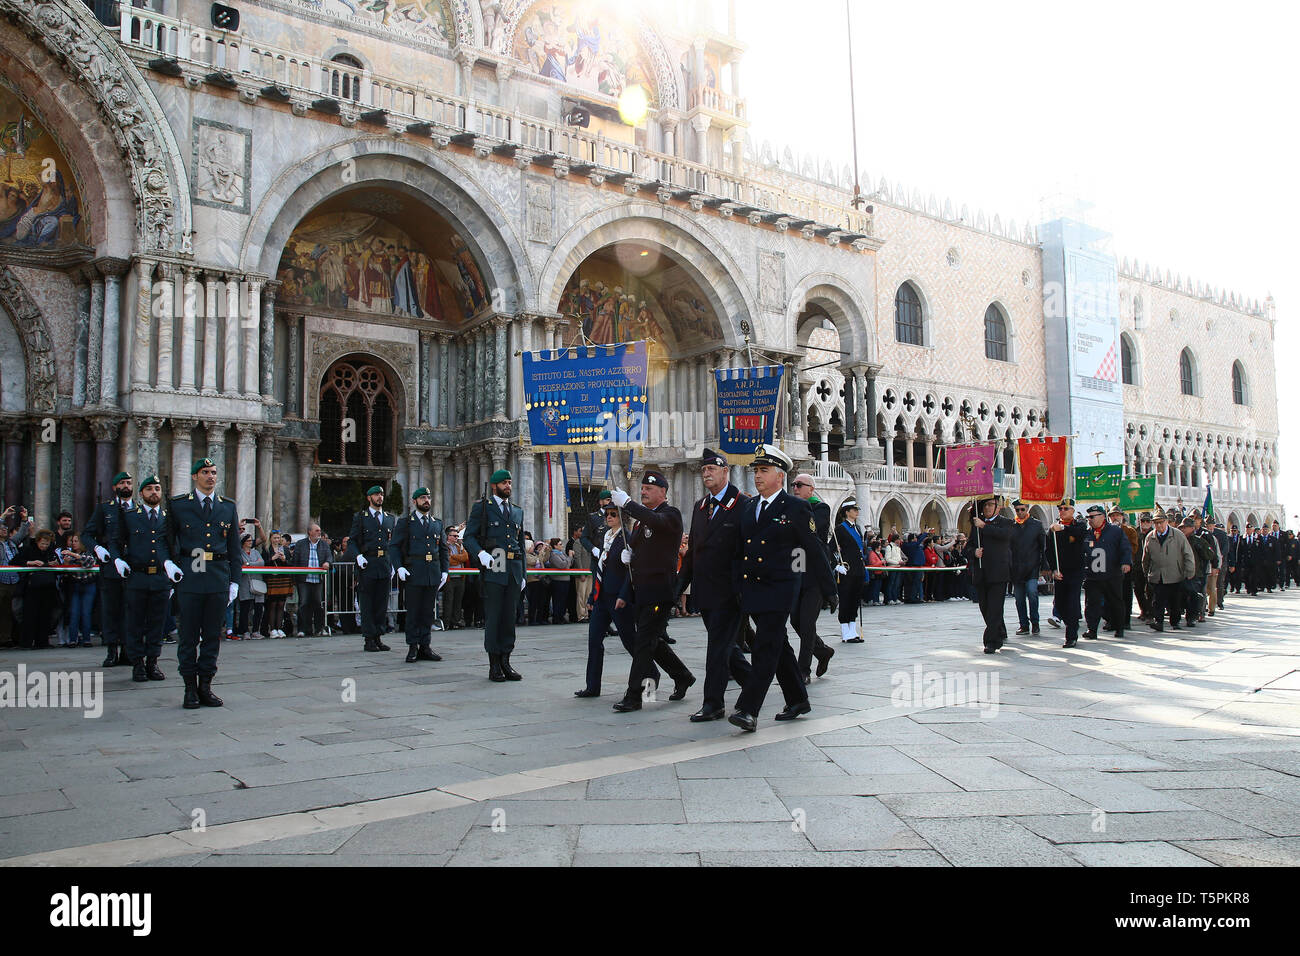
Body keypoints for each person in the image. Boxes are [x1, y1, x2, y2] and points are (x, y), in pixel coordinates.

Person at [725, 445, 836, 732]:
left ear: (780, 476)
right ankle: (798, 699)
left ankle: (748, 709)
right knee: (779, 646)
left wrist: (829, 587)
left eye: (763, 471)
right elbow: (739, 551)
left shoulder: (797, 508)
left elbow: (812, 549)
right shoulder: (750, 508)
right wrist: (738, 584)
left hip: (781, 589)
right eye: (755, 471)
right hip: (753, 590)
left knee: (764, 646)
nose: (757, 476)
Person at [675, 449, 753, 721]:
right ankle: (755, 685)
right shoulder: (700, 507)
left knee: (717, 648)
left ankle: (713, 703)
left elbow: (749, 551)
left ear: (725, 472)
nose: (706, 474)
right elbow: (694, 551)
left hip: (730, 592)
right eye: (703, 470)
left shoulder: (742, 504)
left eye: (712, 469)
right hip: (705, 591)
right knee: (726, 647)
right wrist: (679, 587)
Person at [608, 470, 696, 713]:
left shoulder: (671, 514)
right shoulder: (640, 522)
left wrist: (627, 503)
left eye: (649, 488)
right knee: (653, 642)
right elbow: (636, 561)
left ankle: (634, 694)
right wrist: (625, 590)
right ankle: (683, 675)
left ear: (663, 492)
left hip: (660, 590)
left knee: (644, 643)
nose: (643, 491)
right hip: (642, 591)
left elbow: (655, 521)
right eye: (643, 488)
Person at [164, 457, 242, 709]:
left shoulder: (227, 507)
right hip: (190, 578)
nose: (211, 476)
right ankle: (189, 687)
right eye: (205, 472)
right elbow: (167, 541)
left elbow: (233, 548)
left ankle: (205, 685)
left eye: (214, 472)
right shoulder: (178, 506)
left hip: (217, 577)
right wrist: (169, 564)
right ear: (195, 476)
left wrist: (235, 581)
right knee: (188, 636)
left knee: (211, 636)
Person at [575, 504, 653, 698]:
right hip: (602, 596)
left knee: (630, 641)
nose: (608, 518)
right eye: (607, 515)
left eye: (613, 514)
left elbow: (630, 572)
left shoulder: (627, 537)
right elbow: (600, 567)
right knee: (594, 640)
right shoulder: (605, 536)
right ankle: (592, 686)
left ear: (622, 517)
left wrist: (624, 595)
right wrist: (594, 594)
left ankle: (651, 673)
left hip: (618, 596)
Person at [464, 469, 526, 681]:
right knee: (494, 616)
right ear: (494, 486)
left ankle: (506, 661)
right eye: (504, 483)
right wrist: (480, 553)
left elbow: (519, 544)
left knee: (509, 617)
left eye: (509, 482)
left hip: (514, 565)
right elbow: (469, 537)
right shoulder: (482, 508)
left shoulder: (517, 511)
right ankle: (494, 664)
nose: (508, 486)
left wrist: (523, 573)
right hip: (495, 561)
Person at [111, 475, 173, 682]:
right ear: (141, 494)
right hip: (137, 576)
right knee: (135, 622)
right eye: (149, 489)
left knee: (157, 623)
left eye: (157, 488)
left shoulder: (167, 518)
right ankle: (137, 663)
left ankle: (152, 662)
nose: (154, 492)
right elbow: (116, 542)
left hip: (160, 578)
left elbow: (174, 547)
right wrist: (118, 560)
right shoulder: (130, 516)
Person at [391, 487, 449, 663]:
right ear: (414, 501)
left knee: (427, 612)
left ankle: (425, 645)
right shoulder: (406, 523)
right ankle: (412, 646)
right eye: (422, 498)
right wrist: (399, 567)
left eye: (428, 498)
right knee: (414, 612)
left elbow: (443, 549)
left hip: (432, 572)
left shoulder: (437, 523)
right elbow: (394, 546)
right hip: (414, 571)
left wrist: (445, 570)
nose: (426, 501)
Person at [83, 471, 135, 667]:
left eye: (129, 483)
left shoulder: (138, 509)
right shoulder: (105, 509)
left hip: (132, 567)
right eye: (122, 483)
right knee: (111, 610)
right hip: (111, 567)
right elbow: (87, 534)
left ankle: (128, 650)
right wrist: (97, 548)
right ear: (115, 487)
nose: (126, 486)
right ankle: (112, 649)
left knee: (130, 610)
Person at [791, 472, 840, 674]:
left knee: (807, 622)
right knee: (795, 621)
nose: (795, 488)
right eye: (793, 484)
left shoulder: (820, 508)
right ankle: (822, 651)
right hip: (797, 567)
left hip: (815, 573)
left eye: (799, 485)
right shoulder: (791, 508)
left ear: (811, 489)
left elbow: (810, 529)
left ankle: (803, 670)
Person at [346, 485, 397, 653]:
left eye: (381, 494)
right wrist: (358, 556)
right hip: (368, 562)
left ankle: (378, 636)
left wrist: (394, 563)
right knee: (367, 602)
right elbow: (353, 540)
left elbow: (393, 543)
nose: (379, 497)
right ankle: (368, 638)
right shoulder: (361, 517)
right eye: (376, 494)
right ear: (369, 498)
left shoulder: (389, 518)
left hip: (383, 563)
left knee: (381, 603)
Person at [964, 496, 1013, 654]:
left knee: (995, 608)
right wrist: (974, 552)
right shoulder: (976, 526)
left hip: (998, 573)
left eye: (991, 505)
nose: (988, 508)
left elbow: (1004, 535)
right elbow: (968, 547)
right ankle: (997, 633)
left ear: (997, 507)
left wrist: (984, 526)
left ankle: (991, 641)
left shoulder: (1005, 522)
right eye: (985, 505)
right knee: (984, 607)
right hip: (981, 572)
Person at [1081, 505, 1132, 642]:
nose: (1090, 520)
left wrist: (1126, 562)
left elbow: (1125, 547)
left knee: (1116, 601)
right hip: (1093, 575)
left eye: (1092, 517)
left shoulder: (1115, 531)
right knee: (1092, 603)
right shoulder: (1088, 533)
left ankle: (1119, 627)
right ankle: (1092, 629)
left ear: (1102, 517)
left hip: (1112, 574)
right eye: (1088, 517)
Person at [1142, 508, 1195, 632]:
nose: (1159, 525)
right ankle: (1158, 622)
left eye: (1161, 522)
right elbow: (1146, 557)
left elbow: (1188, 553)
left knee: (1174, 601)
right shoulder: (1150, 537)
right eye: (1156, 523)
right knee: (1158, 601)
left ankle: (1175, 622)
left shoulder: (1177, 535)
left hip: (1174, 574)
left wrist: (1189, 571)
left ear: (1166, 522)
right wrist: (1147, 572)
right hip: (1157, 574)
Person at [1045, 499, 1087, 648]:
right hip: (1060, 572)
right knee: (1061, 603)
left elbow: (1080, 534)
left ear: (1073, 511)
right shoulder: (1053, 530)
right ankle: (1070, 622)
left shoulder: (1079, 525)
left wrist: (1062, 528)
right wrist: (1054, 569)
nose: (1062, 511)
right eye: (1060, 508)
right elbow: (1049, 551)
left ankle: (1071, 635)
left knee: (1072, 602)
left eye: (1065, 508)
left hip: (1075, 571)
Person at [15, 529, 59, 648]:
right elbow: (15, 561)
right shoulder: (29, 549)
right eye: (42, 544)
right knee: (30, 615)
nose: (44, 546)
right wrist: (31, 562)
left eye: (47, 544)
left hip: (47, 586)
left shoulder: (51, 551)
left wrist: (53, 563)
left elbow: (57, 562)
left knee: (45, 615)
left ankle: (42, 641)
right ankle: (26, 642)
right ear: (38, 542)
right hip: (32, 587)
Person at [1009, 499, 1045, 635]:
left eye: (1022, 509)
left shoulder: (1036, 524)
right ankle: (1023, 624)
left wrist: (1044, 565)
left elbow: (1043, 546)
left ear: (1027, 509)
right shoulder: (1011, 525)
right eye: (1017, 510)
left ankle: (1035, 622)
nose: (1019, 512)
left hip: (1032, 566)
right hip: (1016, 568)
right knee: (1019, 598)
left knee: (1032, 592)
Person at [833, 499, 866, 645]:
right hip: (846, 570)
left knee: (854, 601)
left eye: (857, 509)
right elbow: (830, 548)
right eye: (854, 509)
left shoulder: (857, 528)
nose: (857, 512)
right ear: (847, 512)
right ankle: (845, 632)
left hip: (858, 569)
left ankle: (852, 630)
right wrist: (836, 565)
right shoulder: (840, 529)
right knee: (846, 600)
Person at [56, 534, 97, 648]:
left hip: (88, 584)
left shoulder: (88, 552)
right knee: (74, 613)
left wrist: (73, 555)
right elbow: (65, 572)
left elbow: (89, 562)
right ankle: (73, 639)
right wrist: (66, 564)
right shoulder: (69, 556)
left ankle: (86, 639)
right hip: (75, 585)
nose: (73, 543)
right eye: (72, 541)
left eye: (76, 541)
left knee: (86, 613)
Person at [291, 523, 331, 637]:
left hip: (318, 579)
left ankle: (319, 628)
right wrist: (294, 578)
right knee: (303, 604)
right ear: (310, 532)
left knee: (318, 604)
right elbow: (295, 560)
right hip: (304, 579)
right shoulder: (300, 544)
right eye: (317, 530)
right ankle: (303, 629)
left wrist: (327, 562)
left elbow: (329, 556)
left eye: (319, 530)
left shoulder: (324, 544)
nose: (319, 532)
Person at [1181, 516, 1214, 627]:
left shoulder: (1199, 541)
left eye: (1186, 527)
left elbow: (1210, 555)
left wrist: (1200, 549)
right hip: (1181, 572)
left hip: (1195, 573)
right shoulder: (1179, 540)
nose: (1183, 529)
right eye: (1182, 527)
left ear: (1192, 528)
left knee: (1193, 596)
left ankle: (1191, 617)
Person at [262, 531, 293, 638]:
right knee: (272, 604)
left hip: (283, 578)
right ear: (270, 539)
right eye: (274, 538)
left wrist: (284, 560)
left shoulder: (285, 549)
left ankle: (279, 628)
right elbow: (264, 563)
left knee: (281, 604)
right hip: (272, 578)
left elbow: (290, 564)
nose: (277, 540)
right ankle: (273, 629)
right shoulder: (266, 550)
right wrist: (272, 558)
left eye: (278, 538)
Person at [236, 531, 266, 638]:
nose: (250, 542)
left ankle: (255, 630)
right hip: (245, 582)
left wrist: (249, 564)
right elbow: (241, 563)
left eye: (251, 540)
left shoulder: (256, 552)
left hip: (257, 581)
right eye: (248, 540)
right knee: (245, 608)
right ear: (243, 542)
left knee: (258, 607)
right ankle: (244, 631)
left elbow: (261, 563)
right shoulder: (239, 553)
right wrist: (254, 564)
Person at [444, 526, 468, 628]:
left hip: (460, 577)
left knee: (458, 600)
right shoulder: (445, 546)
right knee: (449, 600)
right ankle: (447, 622)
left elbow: (465, 557)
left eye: (457, 536)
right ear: (448, 536)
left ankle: (456, 621)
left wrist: (454, 557)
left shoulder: (459, 546)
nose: (456, 537)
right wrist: (458, 559)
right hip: (450, 578)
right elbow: (447, 560)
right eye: (454, 536)